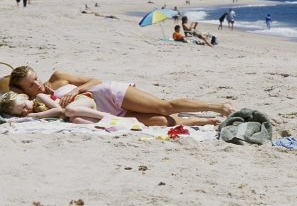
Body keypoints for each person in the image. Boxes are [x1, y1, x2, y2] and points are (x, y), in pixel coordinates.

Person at [8, 66, 235, 126]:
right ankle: (204, 121)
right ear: (23, 90)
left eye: (36, 78)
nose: (38, 84)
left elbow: (95, 81)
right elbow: (11, 102)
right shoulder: (34, 102)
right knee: (159, 121)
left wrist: (76, 90)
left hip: (110, 93)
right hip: (106, 113)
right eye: (31, 84)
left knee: (164, 107)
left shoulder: (58, 78)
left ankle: (218, 107)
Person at [0, 90, 109, 124]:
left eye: (24, 106)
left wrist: (36, 115)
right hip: (77, 113)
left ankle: (108, 116)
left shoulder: (39, 97)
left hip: (80, 101)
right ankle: (108, 124)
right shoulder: (31, 113)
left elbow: (59, 111)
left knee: (69, 111)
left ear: (25, 97)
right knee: (76, 120)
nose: (26, 110)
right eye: (22, 112)